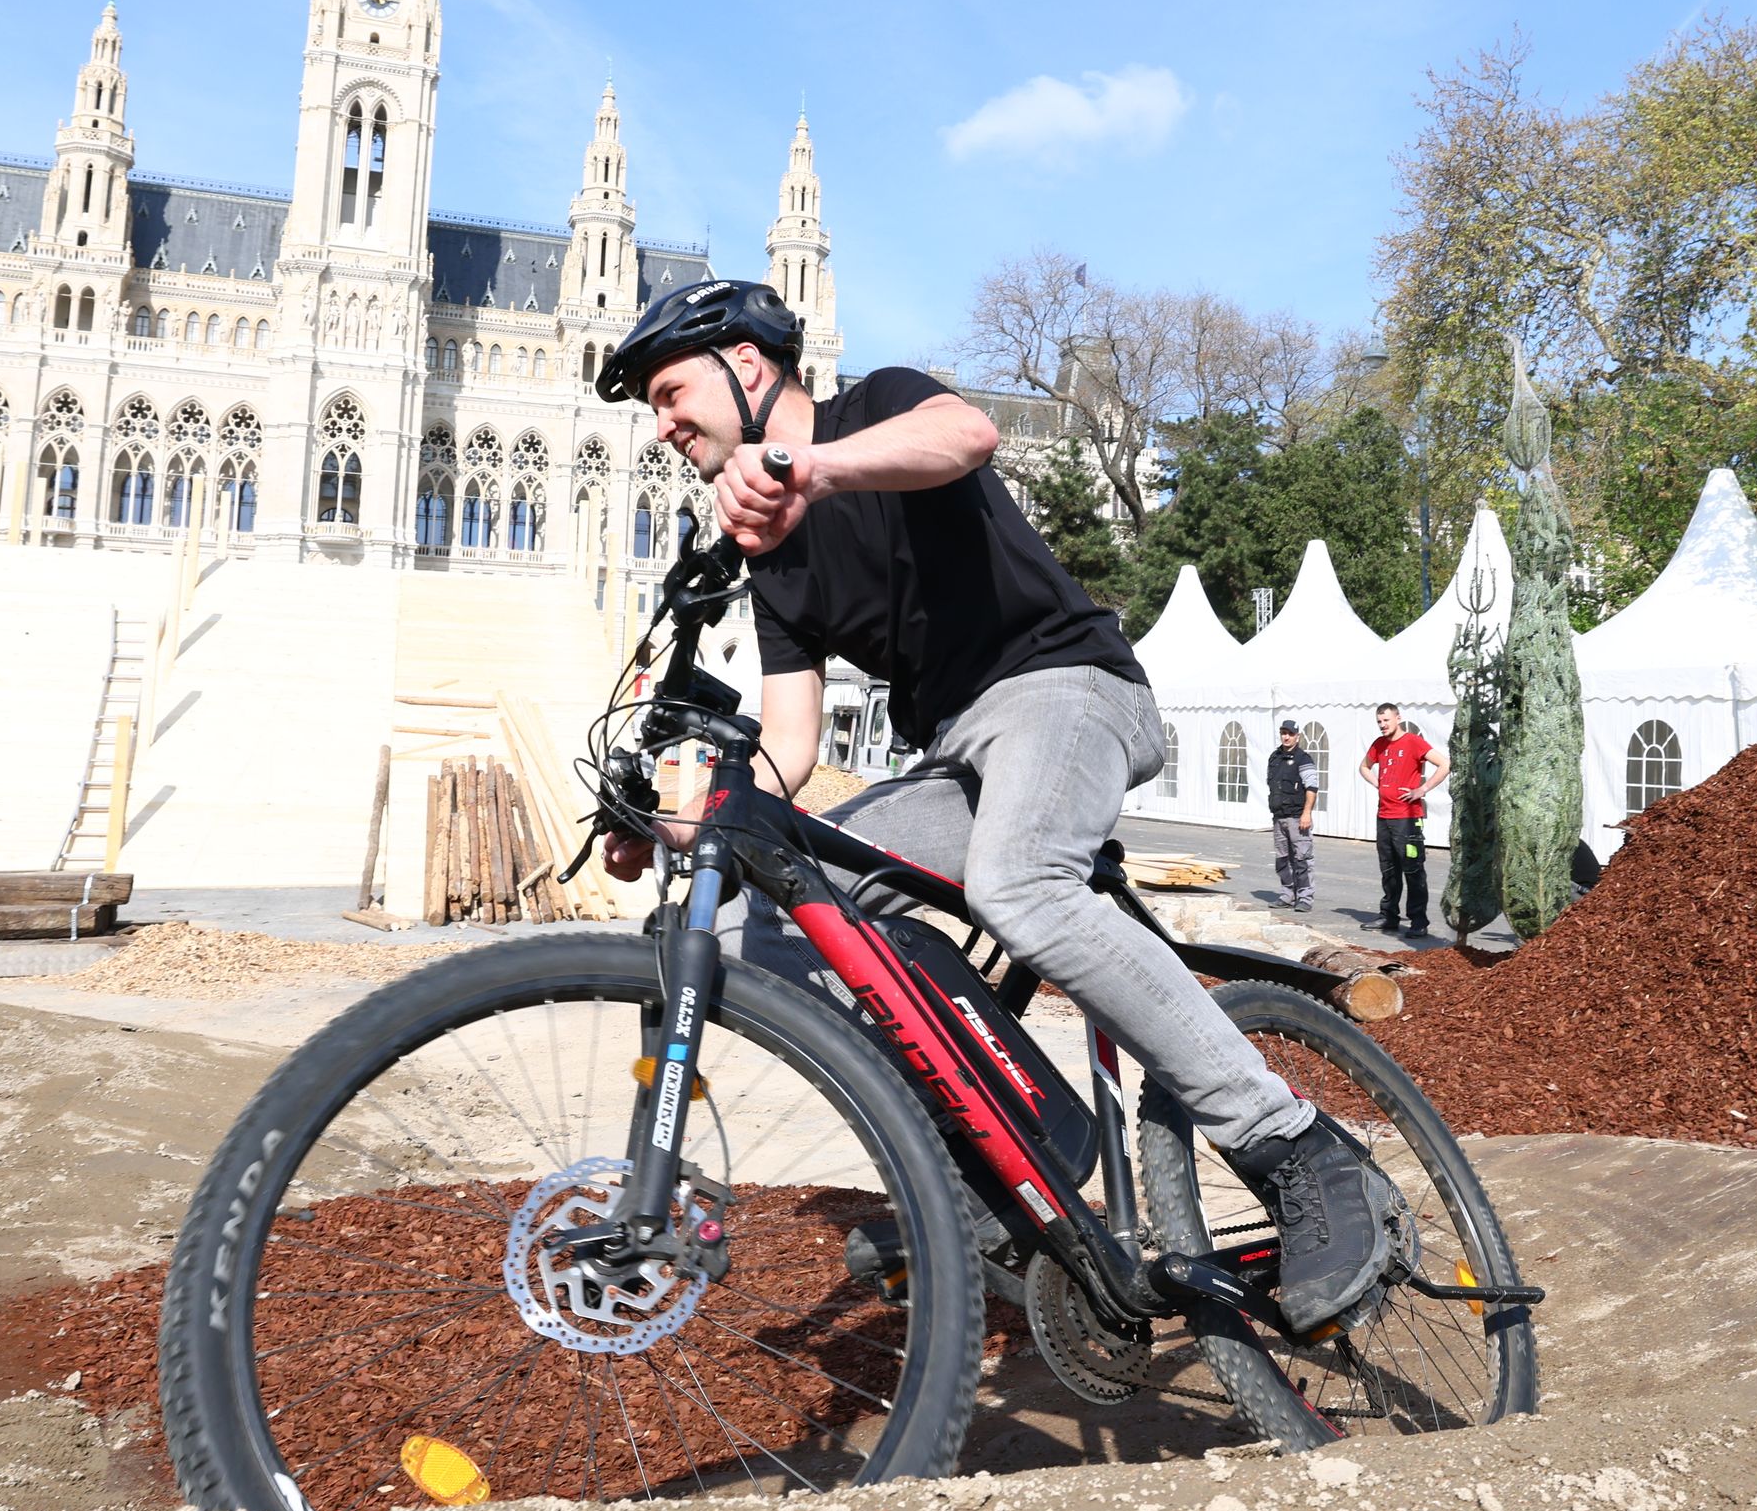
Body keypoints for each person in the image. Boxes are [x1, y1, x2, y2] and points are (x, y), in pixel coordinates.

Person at [593, 277, 1393, 1337]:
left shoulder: (872, 408)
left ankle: (1296, 1147)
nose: (663, 425)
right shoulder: (773, 561)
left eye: (668, 392)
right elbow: (787, 749)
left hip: (1067, 692)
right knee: (762, 908)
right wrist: (676, 831)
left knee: (1019, 882)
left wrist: (810, 469)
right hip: (960, 758)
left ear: (747, 366)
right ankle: (1019, 1144)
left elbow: (964, 435)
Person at [1360, 703, 1446, 935]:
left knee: (1413, 870)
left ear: (1398, 718)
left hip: (1407, 819)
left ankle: (1419, 921)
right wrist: (1378, 783)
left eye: (1386, 720)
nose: (1382, 725)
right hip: (1384, 816)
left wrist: (1423, 789)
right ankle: (1389, 916)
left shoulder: (1413, 742)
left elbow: (1445, 763)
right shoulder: (1379, 745)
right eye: (1379, 721)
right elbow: (1364, 767)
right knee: (1388, 869)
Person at [1262, 718, 1316, 907]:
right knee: (1282, 860)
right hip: (1279, 817)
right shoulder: (1274, 758)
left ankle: (1304, 897)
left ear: (1297, 736)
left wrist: (1306, 813)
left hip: (1297, 817)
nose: (1286, 737)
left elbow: (1312, 787)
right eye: (1284, 733)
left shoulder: (1304, 759)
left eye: (1290, 734)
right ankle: (1287, 894)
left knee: (1302, 859)